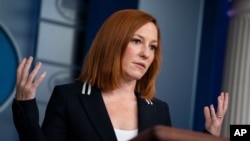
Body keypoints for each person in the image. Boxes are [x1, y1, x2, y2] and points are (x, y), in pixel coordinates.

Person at [12, 9, 229, 141]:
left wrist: (209, 138)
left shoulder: (159, 110)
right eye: (137, 41)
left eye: (152, 47)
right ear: (113, 43)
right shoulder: (68, 98)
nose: (146, 53)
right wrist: (25, 106)